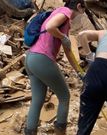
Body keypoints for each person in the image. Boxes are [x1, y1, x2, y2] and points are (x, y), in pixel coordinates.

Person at [24, 0, 85, 135]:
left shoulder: (58, 15)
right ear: (79, 6)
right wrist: (63, 37)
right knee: (64, 96)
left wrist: (80, 72)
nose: (83, 14)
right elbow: (51, 27)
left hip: (30, 58)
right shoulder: (65, 12)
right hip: (42, 59)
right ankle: (60, 132)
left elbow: (68, 51)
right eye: (84, 10)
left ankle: (29, 132)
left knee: (38, 100)